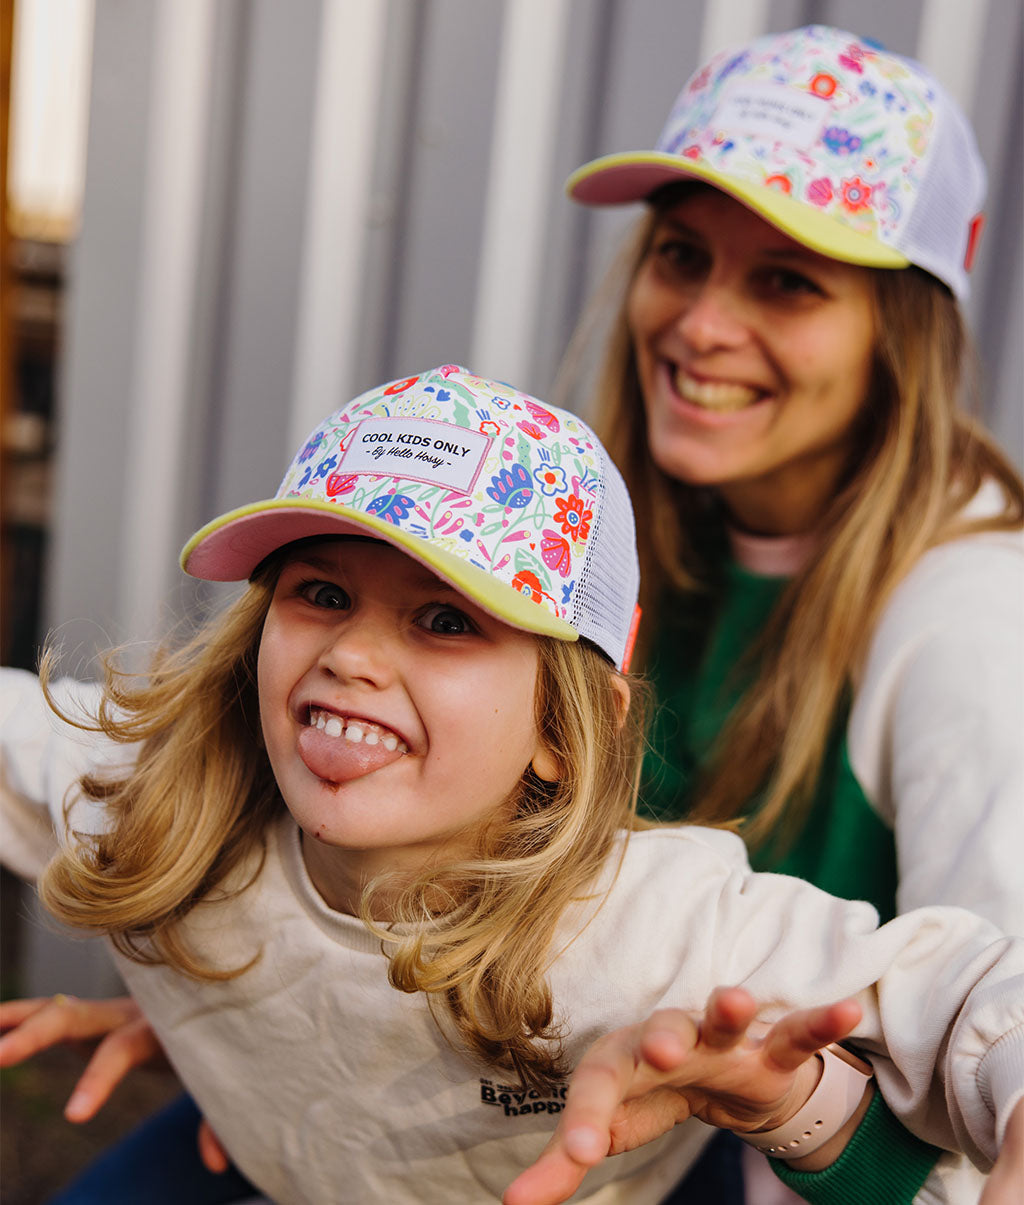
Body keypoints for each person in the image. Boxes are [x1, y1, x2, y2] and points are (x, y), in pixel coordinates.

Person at [1, 365, 1021, 1205]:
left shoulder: (650, 923)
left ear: (561, 731)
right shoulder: (153, 800)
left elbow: (972, 983)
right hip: (283, 1158)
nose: (352, 654)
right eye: (321, 591)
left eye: (446, 620)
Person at [531, 20, 1023, 1205]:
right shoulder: (637, 530)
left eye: (786, 281)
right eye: (682, 255)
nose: (699, 322)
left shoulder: (972, 620)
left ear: (895, 337)